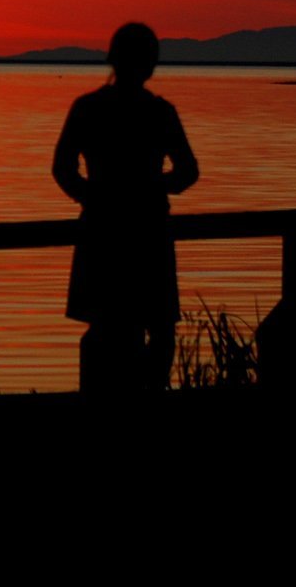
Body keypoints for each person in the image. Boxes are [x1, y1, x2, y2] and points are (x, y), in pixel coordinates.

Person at [53, 22, 199, 393]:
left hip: (105, 229)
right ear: (150, 65)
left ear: (113, 59)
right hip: (147, 230)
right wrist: (151, 188)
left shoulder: (88, 108)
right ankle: (144, 393)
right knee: (157, 327)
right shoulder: (159, 112)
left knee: (108, 327)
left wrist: (94, 197)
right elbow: (187, 172)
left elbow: (62, 169)